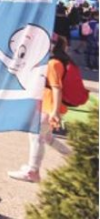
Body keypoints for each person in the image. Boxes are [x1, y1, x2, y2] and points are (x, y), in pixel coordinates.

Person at [8, 37, 73, 183]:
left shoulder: (53, 63)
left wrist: (55, 111)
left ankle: (32, 172)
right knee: (46, 137)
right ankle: (75, 157)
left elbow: (57, 88)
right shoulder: (57, 61)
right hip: (48, 105)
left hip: (49, 107)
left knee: (36, 136)